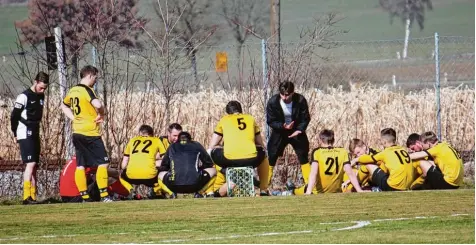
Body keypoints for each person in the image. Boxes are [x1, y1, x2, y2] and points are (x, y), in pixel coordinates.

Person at [61, 65, 113, 202]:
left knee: (81, 165)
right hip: (90, 132)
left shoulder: (73, 90)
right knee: (103, 163)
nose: (95, 80)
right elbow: (97, 104)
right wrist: (102, 114)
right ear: (90, 75)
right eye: (95, 77)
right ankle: (104, 196)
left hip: (77, 132)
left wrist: (73, 118)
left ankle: (84, 197)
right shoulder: (87, 90)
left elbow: (63, 105)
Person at [207, 100, 270, 195]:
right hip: (251, 159)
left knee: (210, 152)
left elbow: (212, 144)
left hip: (229, 159)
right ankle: (263, 189)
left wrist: (221, 146)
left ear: (228, 112)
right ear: (241, 110)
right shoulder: (250, 118)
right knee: (264, 153)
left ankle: (210, 190)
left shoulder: (224, 119)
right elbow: (260, 143)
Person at [10, 71, 49, 204]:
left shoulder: (41, 96)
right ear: (35, 82)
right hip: (24, 131)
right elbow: (14, 116)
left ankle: (33, 196)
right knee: (30, 163)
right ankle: (26, 197)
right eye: (41, 87)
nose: (42, 90)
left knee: (34, 165)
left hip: (35, 130)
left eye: (45, 88)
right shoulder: (23, 96)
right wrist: (15, 133)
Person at [288, 130, 363, 194]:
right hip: (335, 190)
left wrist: (308, 192)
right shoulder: (342, 151)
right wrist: (359, 190)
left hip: (318, 192)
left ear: (320, 140)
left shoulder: (317, 152)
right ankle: (292, 190)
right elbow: (350, 173)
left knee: (303, 188)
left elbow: (314, 173)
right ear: (333, 140)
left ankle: (292, 191)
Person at [266, 81, 311, 189]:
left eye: (287, 94)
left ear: (292, 93)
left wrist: (299, 130)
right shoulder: (273, 102)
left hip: (296, 131)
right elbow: (270, 121)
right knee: (272, 155)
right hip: (280, 131)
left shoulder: (300, 100)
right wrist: (283, 126)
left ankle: (310, 184)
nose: (285, 97)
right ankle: (265, 184)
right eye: (282, 94)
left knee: (303, 155)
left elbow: (306, 118)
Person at [350, 128, 415, 191]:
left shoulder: (385, 153)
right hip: (407, 186)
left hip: (393, 187)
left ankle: (356, 187)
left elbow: (368, 159)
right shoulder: (403, 150)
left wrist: (356, 160)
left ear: (384, 142)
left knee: (368, 165)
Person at [120, 124, 171, 199]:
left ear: (140, 133)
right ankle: (169, 192)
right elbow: (165, 159)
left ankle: (131, 191)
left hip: (131, 175)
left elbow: (124, 163)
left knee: (121, 176)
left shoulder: (132, 140)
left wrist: (125, 169)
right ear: (152, 134)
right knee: (160, 176)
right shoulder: (156, 140)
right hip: (150, 176)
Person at [158, 132, 217, 197]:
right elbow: (208, 163)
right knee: (214, 171)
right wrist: (200, 168)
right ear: (190, 139)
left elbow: (164, 166)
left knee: (159, 175)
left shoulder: (172, 146)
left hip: (174, 184)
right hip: (195, 184)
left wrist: (172, 169)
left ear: (178, 139)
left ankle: (172, 194)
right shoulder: (196, 145)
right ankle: (199, 192)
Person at [59, 156, 129, 202]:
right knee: (106, 178)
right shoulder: (87, 160)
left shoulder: (74, 160)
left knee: (93, 179)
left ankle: (116, 194)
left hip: (64, 197)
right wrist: (119, 174)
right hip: (76, 197)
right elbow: (109, 172)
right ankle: (123, 194)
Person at [149, 123, 183, 198]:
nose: (177, 138)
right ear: (168, 134)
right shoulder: (161, 140)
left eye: (179, 136)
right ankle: (156, 190)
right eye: (175, 136)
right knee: (158, 163)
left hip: (177, 168)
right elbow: (155, 156)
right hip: (165, 167)